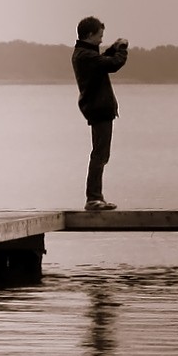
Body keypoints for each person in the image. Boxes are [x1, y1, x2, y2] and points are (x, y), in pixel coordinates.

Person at [72, 16, 128, 211]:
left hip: (98, 108)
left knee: (101, 154)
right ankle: (93, 198)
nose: (101, 40)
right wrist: (121, 50)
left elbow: (103, 59)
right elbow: (112, 64)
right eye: (100, 36)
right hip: (98, 109)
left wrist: (113, 48)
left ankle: (96, 197)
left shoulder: (85, 54)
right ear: (89, 35)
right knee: (99, 154)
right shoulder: (85, 57)